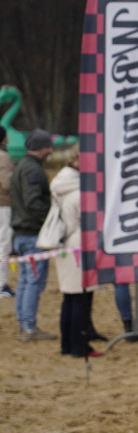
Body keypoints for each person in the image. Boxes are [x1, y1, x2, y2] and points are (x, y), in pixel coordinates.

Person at [50, 145, 102, 358]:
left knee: (70, 298)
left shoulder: (60, 186)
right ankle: (80, 347)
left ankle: (68, 345)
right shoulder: (80, 191)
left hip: (65, 245)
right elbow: (93, 220)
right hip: (79, 246)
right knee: (81, 298)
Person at [11, 128, 56, 340]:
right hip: (32, 234)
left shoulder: (22, 166)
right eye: (49, 147)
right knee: (33, 282)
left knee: (25, 281)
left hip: (21, 233)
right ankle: (29, 327)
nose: (51, 151)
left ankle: (24, 323)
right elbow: (33, 202)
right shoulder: (33, 171)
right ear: (41, 149)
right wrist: (51, 220)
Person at [0, 126, 15, 298]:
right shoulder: (3, 158)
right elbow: (8, 184)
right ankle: (1, 285)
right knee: (3, 245)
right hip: (3, 206)